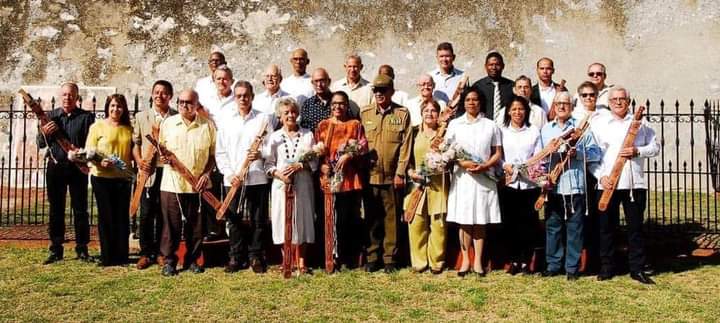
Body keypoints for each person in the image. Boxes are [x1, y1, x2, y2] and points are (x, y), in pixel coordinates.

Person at [592, 86, 659, 284]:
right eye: (614, 99)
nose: (619, 102)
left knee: (635, 228)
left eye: (623, 99)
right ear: (609, 102)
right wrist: (600, 176)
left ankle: (637, 269)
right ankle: (607, 268)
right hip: (608, 184)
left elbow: (655, 147)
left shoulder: (641, 123)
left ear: (629, 101)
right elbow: (592, 157)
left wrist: (637, 151)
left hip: (634, 184)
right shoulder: (600, 124)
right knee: (606, 228)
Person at [539, 91, 601, 281]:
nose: (562, 106)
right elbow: (540, 157)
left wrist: (577, 153)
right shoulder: (546, 129)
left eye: (566, 103)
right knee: (553, 227)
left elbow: (596, 154)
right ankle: (553, 264)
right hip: (553, 185)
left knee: (575, 228)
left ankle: (572, 267)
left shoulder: (581, 129)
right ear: (554, 107)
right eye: (558, 103)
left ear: (572, 106)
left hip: (574, 185)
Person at [215, 81, 274, 274]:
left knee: (258, 218)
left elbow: (271, 148)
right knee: (233, 219)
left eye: (246, 95)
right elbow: (220, 152)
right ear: (234, 97)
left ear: (252, 96)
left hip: (257, 176)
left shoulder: (263, 119)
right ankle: (236, 256)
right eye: (239, 95)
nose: (242, 99)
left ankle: (256, 255)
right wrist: (229, 173)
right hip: (233, 179)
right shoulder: (226, 119)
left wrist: (260, 154)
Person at [445, 87, 503, 277]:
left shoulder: (490, 125)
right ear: (463, 102)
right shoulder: (455, 125)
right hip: (463, 178)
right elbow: (448, 151)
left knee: (480, 219)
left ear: (481, 102)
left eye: (475, 100)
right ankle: (465, 260)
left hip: (484, 178)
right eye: (468, 100)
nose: (472, 103)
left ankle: (478, 261)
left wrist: (485, 166)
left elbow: (498, 153)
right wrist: (461, 162)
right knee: (464, 220)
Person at [158, 89, 216, 276]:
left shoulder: (207, 126)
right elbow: (161, 151)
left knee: (196, 227)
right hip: (172, 184)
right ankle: (169, 262)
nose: (184, 105)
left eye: (189, 102)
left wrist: (206, 174)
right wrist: (164, 159)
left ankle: (192, 260)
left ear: (197, 104)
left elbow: (213, 156)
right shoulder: (168, 124)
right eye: (181, 102)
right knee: (171, 225)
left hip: (198, 185)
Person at [37, 82, 95, 264]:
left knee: (80, 210)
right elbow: (40, 143)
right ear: (60, 96)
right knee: (56, 210)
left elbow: (91, 144)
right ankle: (56, 249)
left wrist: (82, 153)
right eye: (64, 94)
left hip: (77, 168)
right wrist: (44, 132)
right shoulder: (51, 117)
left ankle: (82, 248)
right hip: (56, 167)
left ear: (77, 97)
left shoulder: (87, 118)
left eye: (71, 95)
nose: (67, 98)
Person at [360, 74, 412, 273]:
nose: (379, 94)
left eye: (383, 90)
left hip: (392, 176)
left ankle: (390, 257)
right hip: (370, 175)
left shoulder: (402, 114)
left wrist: (400, 173)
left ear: (392, 91)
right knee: (372, 217)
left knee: (392, 219)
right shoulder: (365, 114)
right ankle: (373, 256)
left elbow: (405, 146)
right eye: (376, 90)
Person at [264, 98, 318, 274]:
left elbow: (315, 161)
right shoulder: (274, 137)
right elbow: (268, 164)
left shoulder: (307, 134)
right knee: (282, 220)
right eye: (286, 112)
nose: (290, 115)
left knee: (302, 219)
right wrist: (280, 175)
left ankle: (302, 262)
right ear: (279, 116)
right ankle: (286, 259)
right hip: (281, 185)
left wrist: (301, 165)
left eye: (293, 111)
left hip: (303, 184)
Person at [316, 91, 368, 269]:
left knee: (348, 219)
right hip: (329, 179)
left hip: (349, 179)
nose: (338, 107)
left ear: (347, 105)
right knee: (330, 218)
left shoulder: (354, 125)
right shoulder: (323, 125)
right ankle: (331, 255)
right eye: (335, 103)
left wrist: (349, 155)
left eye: (342, 103)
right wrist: (321, 166)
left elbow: (363, 145)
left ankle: (348, 256)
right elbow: (316, 151)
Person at [132, 80, 177, 270]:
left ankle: (161, 252)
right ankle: (145, 252)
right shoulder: (142, 117)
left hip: (166, 170)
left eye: (164, 93)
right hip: (148, 172)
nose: (160, 96)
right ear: (152, 94)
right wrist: (140, 160)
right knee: (147, 213)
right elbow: (136, 143)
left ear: (170, 96)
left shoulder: (175, 116)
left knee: (163, 213)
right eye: (157, 92)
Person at [84, 94, 134, 266]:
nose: (115, 109)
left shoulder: (128, 128)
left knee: (121, 217)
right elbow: (89, 151)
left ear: (124, 109)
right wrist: (100, 161)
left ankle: (121, 255)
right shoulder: (97, 127)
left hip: (123, 178)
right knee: (106, 217)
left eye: (119, 106)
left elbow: (133, 152)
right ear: (107, 107)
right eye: (112, 106)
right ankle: (107, 256)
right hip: (102, 178)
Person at [499, 96, 542, 275]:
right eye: (514, 109)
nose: (517, 112)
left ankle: (526, 260)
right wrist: (504, 165)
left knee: (528, 223)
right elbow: (496, 154)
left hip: (528, 185)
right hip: (508, 184)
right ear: (508, 111)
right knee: (510, 223)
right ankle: (513, 259)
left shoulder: (533, 132)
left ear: (526, 112)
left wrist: (530, 168)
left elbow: (539, 156)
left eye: (521, 109)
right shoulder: (501, 131)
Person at [405, 100, 449, 274]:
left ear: (438, 114)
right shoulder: (414, 132)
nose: (429, 114)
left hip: (438, 185)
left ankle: (436, 262)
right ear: (421, 113)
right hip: (417, 185)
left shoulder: (443, 134)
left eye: (433, 111)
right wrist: (410, 173)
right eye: (426, 110)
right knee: (416, 224)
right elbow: (405, 158)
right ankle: (419, 262)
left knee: (438, 226)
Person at [471, 52, 514, 121]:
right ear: (485, 66)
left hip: (506, 128)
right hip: (484, 127)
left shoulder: (511, 86)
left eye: (497, 65)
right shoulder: (477, 87)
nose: (494, 68)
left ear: (503, 66)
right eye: (491, 65)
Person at [253, 64, 290, 129]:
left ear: (280, 79)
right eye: (267, 76)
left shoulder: (289, 99)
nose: (270, 79)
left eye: (273, 76)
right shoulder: (257, 99)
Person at [299, 68, 333, 132]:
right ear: (312, 83)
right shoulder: (307, 104)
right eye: (316, 81)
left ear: (329, 81)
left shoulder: (339, 101)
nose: (319, 84)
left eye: (322, 80)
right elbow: (304, 129)